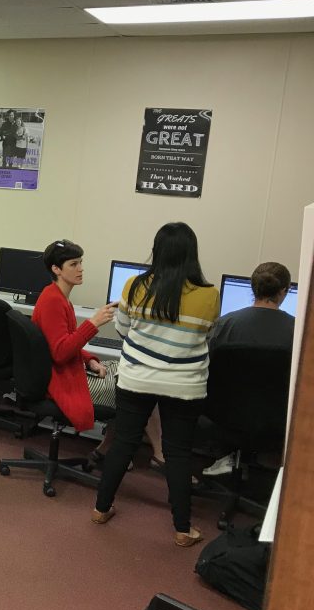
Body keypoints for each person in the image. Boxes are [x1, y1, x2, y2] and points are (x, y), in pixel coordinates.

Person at [93, 222, 218, 547]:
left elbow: (122, 329)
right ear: (192, 254)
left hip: (137, 377)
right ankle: (182, 529)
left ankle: (100, 509)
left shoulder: (135, 285)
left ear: (157, 250)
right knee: (177, 453)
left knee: (123, 443)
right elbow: (203, 336)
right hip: (185, 385)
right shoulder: (209, 295)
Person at [203, 261, 295, 476]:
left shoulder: (224, 325)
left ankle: (227, 457)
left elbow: (205, 367)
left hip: (223, 416)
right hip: (277, 421)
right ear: (284, 291)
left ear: (252, 288)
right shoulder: (298, 332)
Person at [33, 240, 117, 438]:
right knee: (129, 390)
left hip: (63, 372)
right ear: (56, 269)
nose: (80, 269)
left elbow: (62, 342)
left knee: (126, 378)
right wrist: (93, 324)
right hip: (60, 381)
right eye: (73, 264)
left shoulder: (59, 297)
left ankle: (112, 449)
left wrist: (89, 360)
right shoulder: (53, 301)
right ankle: (115, 451)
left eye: (80, 263)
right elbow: (61, 352)